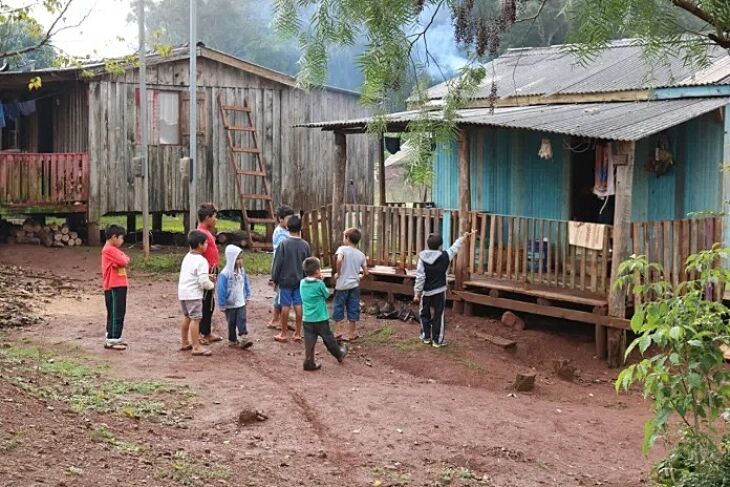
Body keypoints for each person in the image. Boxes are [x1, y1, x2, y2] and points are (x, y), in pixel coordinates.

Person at [413, 231, 473, 348]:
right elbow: (455, 248)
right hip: (439, 291)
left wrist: (417, 292)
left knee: (424, 313)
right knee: (438, 315)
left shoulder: (422, 258)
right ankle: (437, 340)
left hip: (426, 292)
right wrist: (463, 237)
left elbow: (420, 276)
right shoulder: (445, 255)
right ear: (440, 246)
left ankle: (425, 336)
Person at [300, 257, 348, 371]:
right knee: (328, 339)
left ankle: (309, 362)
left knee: (309, 341)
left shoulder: (302, 282)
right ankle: (339, 354)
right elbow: (326, 295)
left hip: (307, 318)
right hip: (320, 318)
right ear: (317, 271)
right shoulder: (319, 284)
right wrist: (321, 281)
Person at [271, 214, 310, 342]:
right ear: (300, 228)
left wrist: (275, 279)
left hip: (285, 280)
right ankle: (298, 333)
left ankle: (283, 333)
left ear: (287, 227)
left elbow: (278, 264)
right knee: (299, 305)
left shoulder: (284, 244)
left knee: (285, 305)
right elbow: (308, 264)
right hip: (301, 281)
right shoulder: (305, 245)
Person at [178, 230, 216, 356]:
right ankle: (196, 346)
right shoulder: (202, 261)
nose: (207, 246)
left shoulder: (187, 257)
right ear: (200, 244)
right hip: (194, 294)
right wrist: (212, 285)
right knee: (196, 319)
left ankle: (184, 342)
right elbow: (203, 281)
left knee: (187, 317)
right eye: (206, 243)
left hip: (183, 293)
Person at [333, 227, 368, 342]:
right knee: (353, 307)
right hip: (354, 285)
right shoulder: (361, 254)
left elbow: (339, 260)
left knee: (339, 306)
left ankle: (338, 331)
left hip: (342, 285)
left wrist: (338, 273)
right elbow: (366, 272)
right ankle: (352, 333)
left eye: (344, 236)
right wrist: (361, 277)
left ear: (347, 238)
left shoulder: (342, 249)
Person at [216, 244, 253, 349]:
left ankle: (244, 337)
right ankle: (232, 340)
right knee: (231, 322)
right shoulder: (225, 274)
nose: (240, 261)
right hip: (229, 304)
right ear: (231, 259)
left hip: (240, 301)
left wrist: (248, 294)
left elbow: (246, 283)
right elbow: (221, 290)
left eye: (241, 258)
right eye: (237, 259)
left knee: (242, 319)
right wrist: (222, 304)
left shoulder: (242, 271)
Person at [101, 224, 131, 351]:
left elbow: (125, 258)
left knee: (115, 312)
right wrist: (122, 259)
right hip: (115, 285)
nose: (122, 241)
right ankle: (113, 339)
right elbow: (124, 261)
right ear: (114, 237)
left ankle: (114, 337)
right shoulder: (110, 250)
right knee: (116, 313)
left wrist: (121, 259)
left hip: (117, 285)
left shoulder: (112, 249)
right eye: (121, 238)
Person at [196, 203, 221, 344]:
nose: (215, 219)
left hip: (211, 270)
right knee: (207, 302)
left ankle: (206, 331)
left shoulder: (204, 232)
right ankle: (202, 333)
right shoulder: (202, 234)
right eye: (214, 217)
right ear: (207, 218)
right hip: (208, 271)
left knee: (209, 301)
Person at [268, 205, 295, 330]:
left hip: (287, 266)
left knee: (283, 294)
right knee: (280, 294)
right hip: (281, 267)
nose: (290, 221)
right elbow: (281, 253)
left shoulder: (286, 231)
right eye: (288, 219)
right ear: (280, 219)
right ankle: (275, 320)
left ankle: (281, 319)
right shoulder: (279, 233)